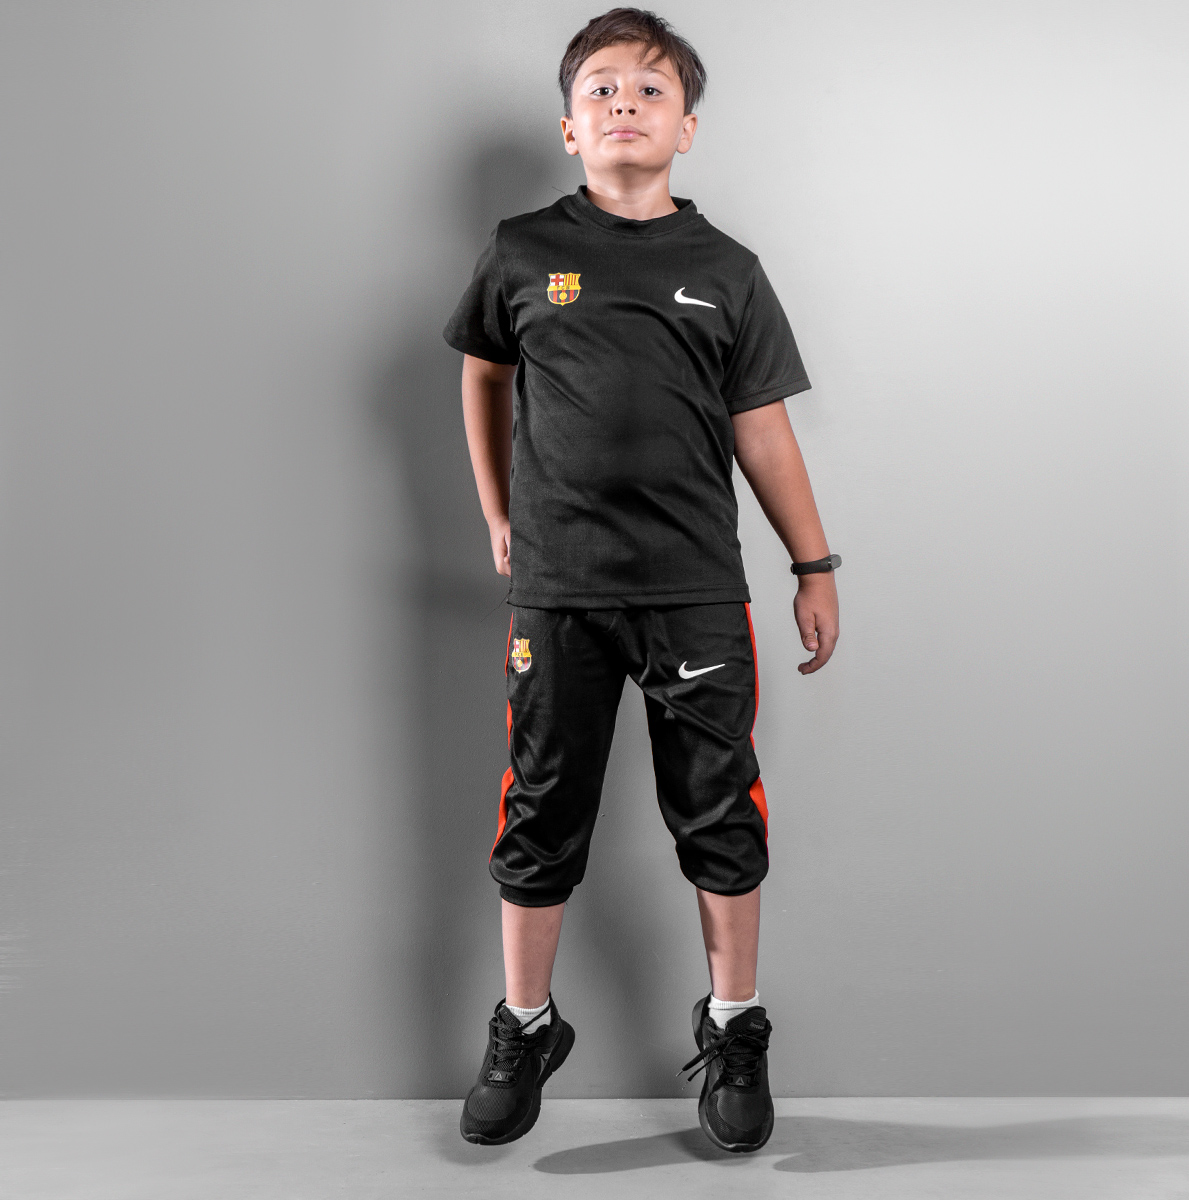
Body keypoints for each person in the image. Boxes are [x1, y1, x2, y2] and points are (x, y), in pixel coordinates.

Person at [443, 7, 839, 1153]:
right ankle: (524, 1026)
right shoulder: (522, 251)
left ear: (688, 126)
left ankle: (735, 1023)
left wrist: (813, 563)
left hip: (695, 590)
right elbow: (484, 373)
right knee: (541, 808)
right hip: (559, 589)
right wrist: (499, 514)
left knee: (719, 808)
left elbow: (762, 429)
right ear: (570, 127)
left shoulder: (727, 271)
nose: (625, 101)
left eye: (650, 89)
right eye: (602, 89)